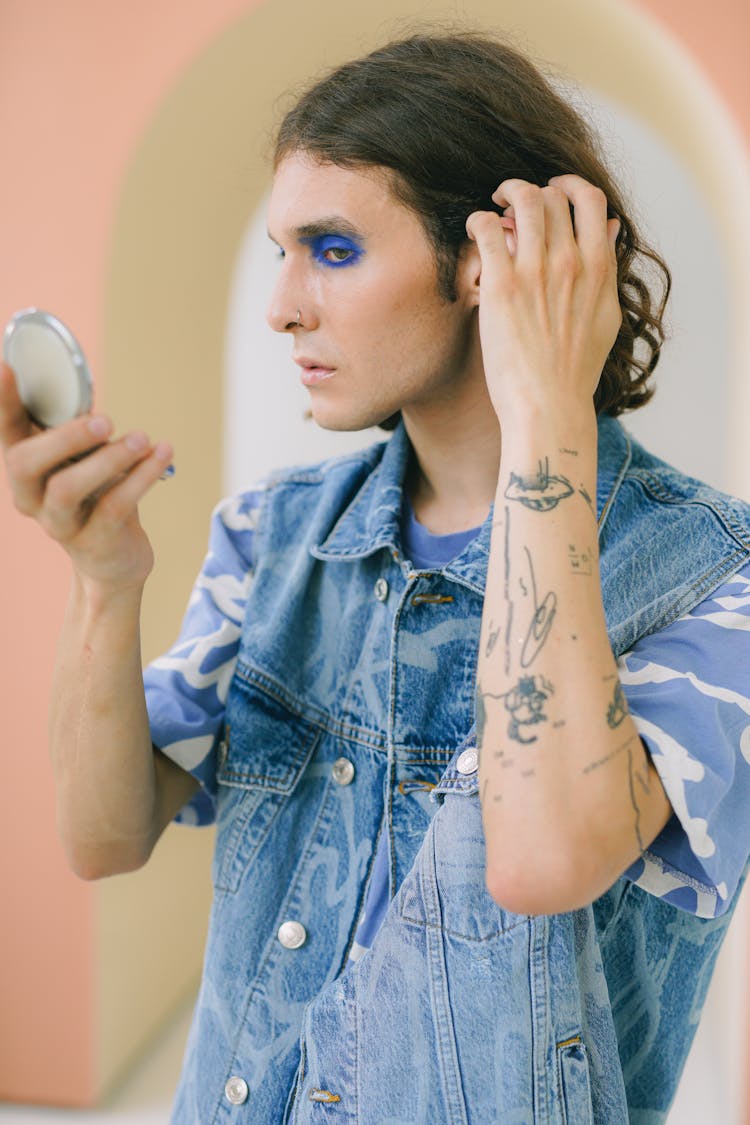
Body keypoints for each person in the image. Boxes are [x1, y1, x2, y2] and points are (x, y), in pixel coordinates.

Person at [2, 29, 750, 1125]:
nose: (284, 305)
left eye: (335, 250)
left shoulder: (716, 576)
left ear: (490, 261)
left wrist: (546, 413)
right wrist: (105, 579)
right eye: (282, 253)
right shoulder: (274, 535)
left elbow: (543, 862)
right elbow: (101, 834)